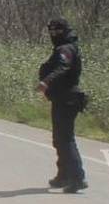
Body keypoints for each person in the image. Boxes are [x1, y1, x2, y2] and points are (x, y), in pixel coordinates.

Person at [37, 18, 87, 193]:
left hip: (67, 98)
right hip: (61, 98)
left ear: (64, 31)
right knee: (59, 139)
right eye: (51, 31)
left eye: (57, 31)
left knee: (65, 139)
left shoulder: (66, 49)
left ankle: (77, 178)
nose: (54, 34)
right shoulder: (62, 47)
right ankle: (63, 175)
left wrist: (46, 82)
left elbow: (62, 67)